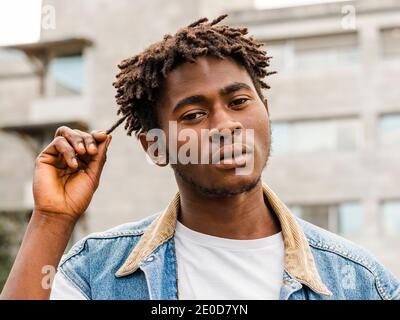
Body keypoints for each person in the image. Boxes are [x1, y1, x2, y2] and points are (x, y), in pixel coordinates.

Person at [1, 15, 399, 300]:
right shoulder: (97, 272)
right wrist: (52, 219)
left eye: (240, 101)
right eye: (194, 115)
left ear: (266, 111)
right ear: (155, 147)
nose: (226, 125)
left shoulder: (359, 281)